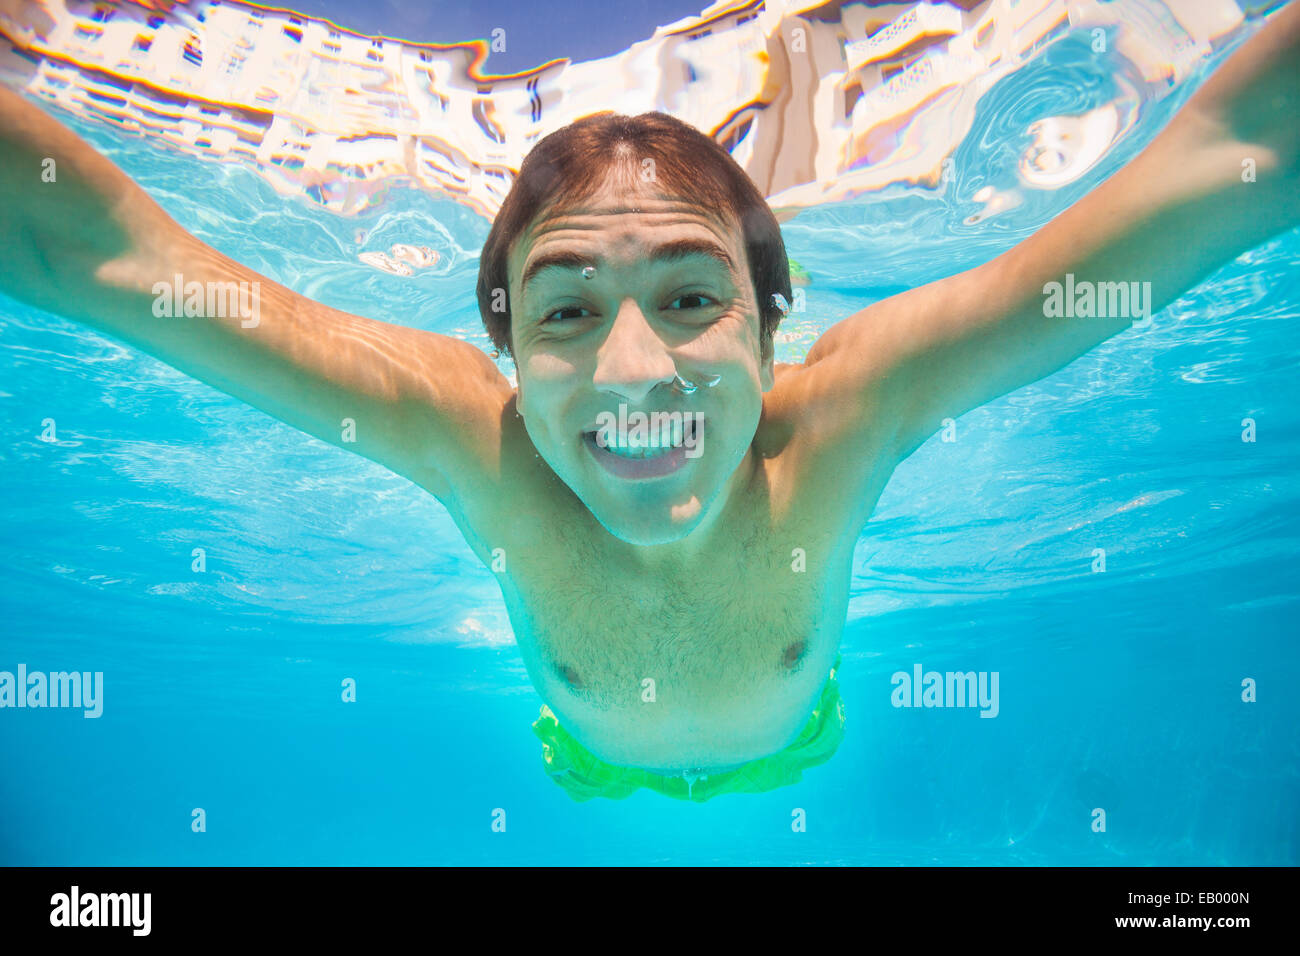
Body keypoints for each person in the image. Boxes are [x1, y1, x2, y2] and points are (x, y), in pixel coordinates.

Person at [1, 4, 1297, 798]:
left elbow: (1230, 160)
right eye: (565, 312)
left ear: (777, 326)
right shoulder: (468, 439)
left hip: (801, 743)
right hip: (586, 763)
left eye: (689, 298)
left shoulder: (854, 411)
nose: (632, 376)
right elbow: (107, 261)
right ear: (504, 354)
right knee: (606, 781)